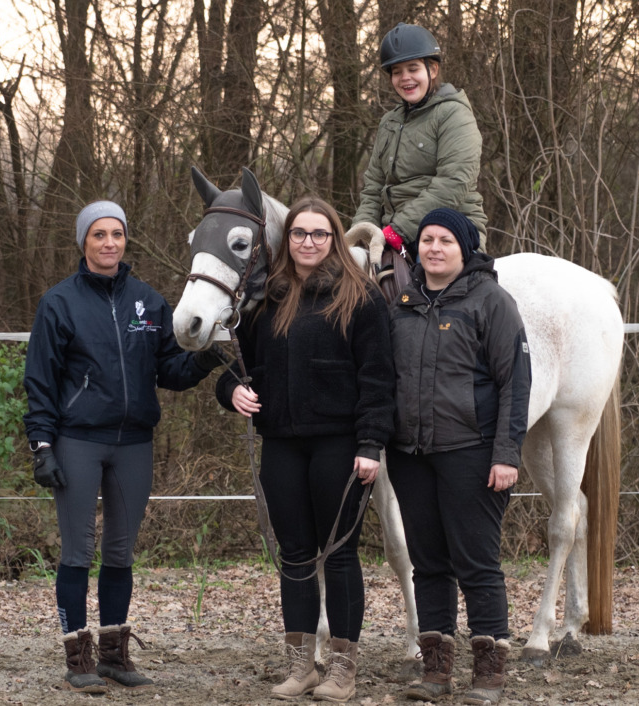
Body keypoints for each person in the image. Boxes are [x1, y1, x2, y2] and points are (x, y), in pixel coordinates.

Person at [23, 200, 223, 693]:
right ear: (84, 242)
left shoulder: (150, 302)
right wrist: (41, 444)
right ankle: (78, 656)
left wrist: (206, 358)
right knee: (78, 551)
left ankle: (114, 654)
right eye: (99, 234)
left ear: (125, 240)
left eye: (117, 234)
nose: (109, 242)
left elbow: (170, 372)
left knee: (119, 551)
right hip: (78, 440)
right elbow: (40, 380)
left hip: (134, 443)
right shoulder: (59, 303)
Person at [215, 197, 395, 703]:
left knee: (338, 556)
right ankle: (301, 666)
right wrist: (231, 391)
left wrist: (371, 444)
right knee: (293, 557)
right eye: (299, 233)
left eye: (319, 234)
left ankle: (343, 667)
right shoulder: (266, 301)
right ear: (287, 239)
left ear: (334, 239)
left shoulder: (360, 299)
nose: (309, 242)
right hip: (282, 446)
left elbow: (379, 379)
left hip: (341, 446)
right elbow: (241, 367)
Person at [386, 208, 531, 705]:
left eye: (446, 240)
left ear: (464, 248)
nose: (434, 248)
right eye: (427, 239)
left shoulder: (491, 301)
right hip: (410, 454)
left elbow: (516, 382)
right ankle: (436, 671)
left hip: (472, 452)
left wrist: (506, 453)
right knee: (427, 563)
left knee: (477, 564)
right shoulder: (401, 304)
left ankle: (488, 674)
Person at [351, 22, 489, 255]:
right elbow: (373, 186)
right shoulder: (389, 122)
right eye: (397, 72)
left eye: (413, 69)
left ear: (432, 70)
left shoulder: (454, 115)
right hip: (390, 234)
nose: (405, 78)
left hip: (448, 227)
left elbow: (453, 182)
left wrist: (399, 230)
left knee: (419, 289)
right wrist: (362, 233)